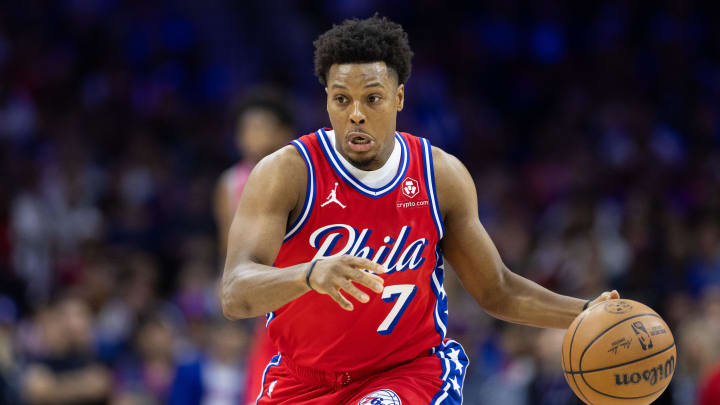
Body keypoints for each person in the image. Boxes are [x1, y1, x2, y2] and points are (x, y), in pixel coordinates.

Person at [220, 15, 619, 404]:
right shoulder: (287, 173)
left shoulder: (439, 176)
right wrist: (309, 274)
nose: (356, 113)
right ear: (326, 100)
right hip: (303, 381)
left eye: (372, 98)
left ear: (399, 97)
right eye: (342, 99)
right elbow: (235, 293)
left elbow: (497, 289)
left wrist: (584, 312)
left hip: (407, 375)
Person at [213, 89, 295, 404]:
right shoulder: (230, 182)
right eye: (246, 129)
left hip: (299, 284)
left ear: (283, 132)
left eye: (261, 127)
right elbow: (227, 252)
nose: (252, 136)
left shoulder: (302, 175)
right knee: (260, 381)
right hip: (260, 292)